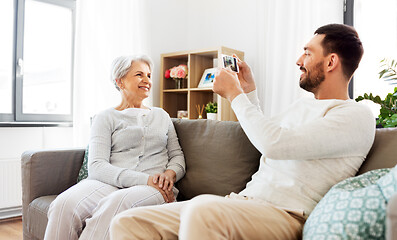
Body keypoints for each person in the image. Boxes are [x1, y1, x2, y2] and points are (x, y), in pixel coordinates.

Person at [109, 24, 375, 240]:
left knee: (203, 210)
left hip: (287, 214)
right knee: (129, 222)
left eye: (307, 52)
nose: (298, 60)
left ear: (330, 62)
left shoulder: (355, 116)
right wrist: (249, 93)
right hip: (243, 203)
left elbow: (275, 144)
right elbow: (267, 137)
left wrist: (235, 95)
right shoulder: (303, 106)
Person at [44, 55, 186, 240]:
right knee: (63, 204)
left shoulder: (162, 116)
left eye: (149, 75)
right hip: (111, 183)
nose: (147, 80)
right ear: (120, 81)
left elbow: (177, 156)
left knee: (115, 204)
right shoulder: (105, 117)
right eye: (139, 74)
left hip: (154, 188)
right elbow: (96, 166)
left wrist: (169, 175)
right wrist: (145, 179)